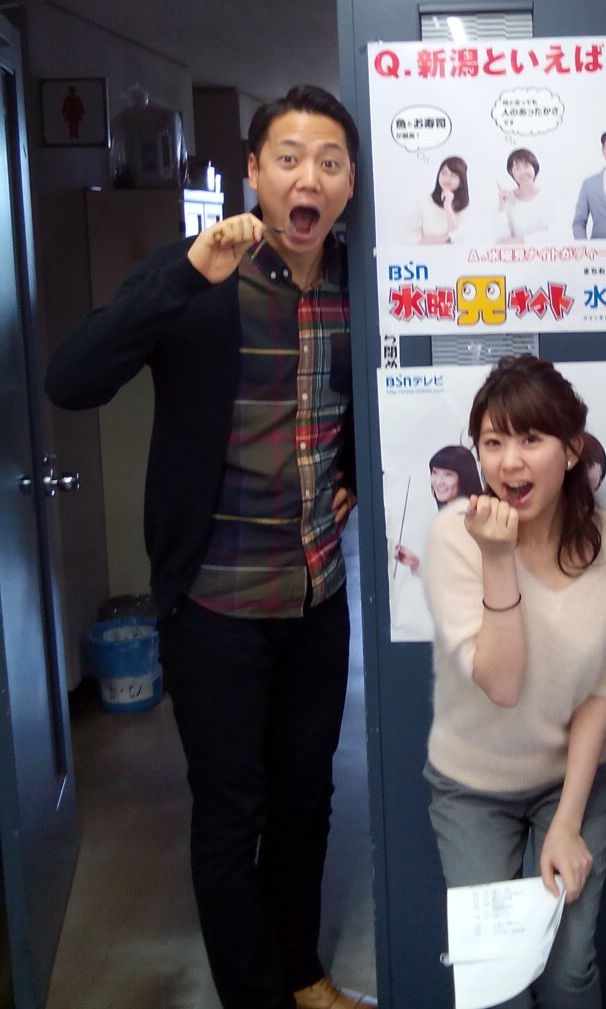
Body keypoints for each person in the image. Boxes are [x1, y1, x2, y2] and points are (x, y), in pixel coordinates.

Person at [45, 85, 374, 1009]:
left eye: (330, 163)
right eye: (288, 159)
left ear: (350, 185)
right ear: (253, 172)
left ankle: (301, 973)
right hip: (213, 607)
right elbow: (70, 379)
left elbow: (376, 398)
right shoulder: (199, 279)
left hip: (317, 596)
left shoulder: (358, 285)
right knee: (233, 814)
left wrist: (352, 468)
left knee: (307, 798)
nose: (308, 179)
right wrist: (184, 276)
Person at [422, 355, 606, 1009]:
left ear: (572, 451)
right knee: (496, 986)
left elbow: (601, 691)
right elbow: (502, 683)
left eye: (531, 439)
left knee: (569, 970)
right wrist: (498, 558)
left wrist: (568, 822)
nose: (510, 462)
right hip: (472, 785)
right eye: (493, 443)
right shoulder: (453, 539)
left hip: (574, 777)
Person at [393, 444, 483, 576]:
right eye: (434, 473)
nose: (439, 482)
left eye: (448, 475)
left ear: (465, 477)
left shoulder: (477, 517)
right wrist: (415, 562)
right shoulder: (449, 515)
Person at [496, 147, 556, 243]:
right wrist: (501, 207)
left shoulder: (548, 196)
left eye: (526, 166)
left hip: (545, 251)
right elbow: (502, 241)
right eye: (517, 168)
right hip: (516, 252)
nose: (523, 172)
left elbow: (556, 234)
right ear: (511, 172)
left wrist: (522, 241)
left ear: (534, 168)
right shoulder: (508, 199)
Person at [407, 155, 470, 244]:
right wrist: (442, 239)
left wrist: (447, 206)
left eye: (453, 175)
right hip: (427, 251)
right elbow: (409, 237)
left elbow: (458, 237)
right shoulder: (424, 201)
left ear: (461, 180)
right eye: (444, 173)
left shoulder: (467, 206)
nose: (447, 179)